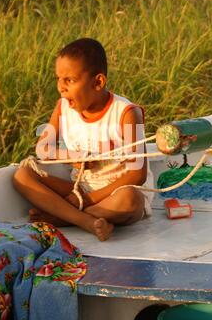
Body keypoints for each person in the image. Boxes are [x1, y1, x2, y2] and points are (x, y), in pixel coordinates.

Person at [13, 38, 154, 241]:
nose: (61, 88)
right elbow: (43, 148)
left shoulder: (128, 113)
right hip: (80, 188)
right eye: (58, 79)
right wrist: (72, 157)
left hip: (115, 193)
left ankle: (62, 217)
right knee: (22, 176)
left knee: (130, 200)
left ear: (98, 82)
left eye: (69, 80)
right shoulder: (63, 106)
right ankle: (86, 221)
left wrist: (85, 200)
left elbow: (136, 175)